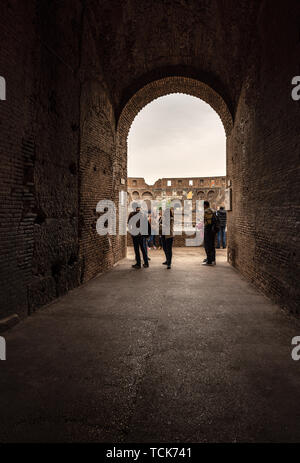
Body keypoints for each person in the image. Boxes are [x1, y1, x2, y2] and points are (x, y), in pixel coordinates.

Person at [128, 203, 149, 269]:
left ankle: (138, 264)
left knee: (136, 249)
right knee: (143, 249)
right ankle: (146, 263)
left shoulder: (132, 214)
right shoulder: (143, 214)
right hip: (142, 234)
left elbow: (129, 223)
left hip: (135, 235)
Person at [202, 200, 216, 266]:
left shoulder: (206, 211)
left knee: (207, 245)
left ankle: (209, 261)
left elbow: (205, 220)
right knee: (212, 245)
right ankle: (212, 259)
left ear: (205, 205)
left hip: (208, 229)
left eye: (203, 205)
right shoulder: (213, 210)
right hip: (213, 229)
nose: (203, 206)